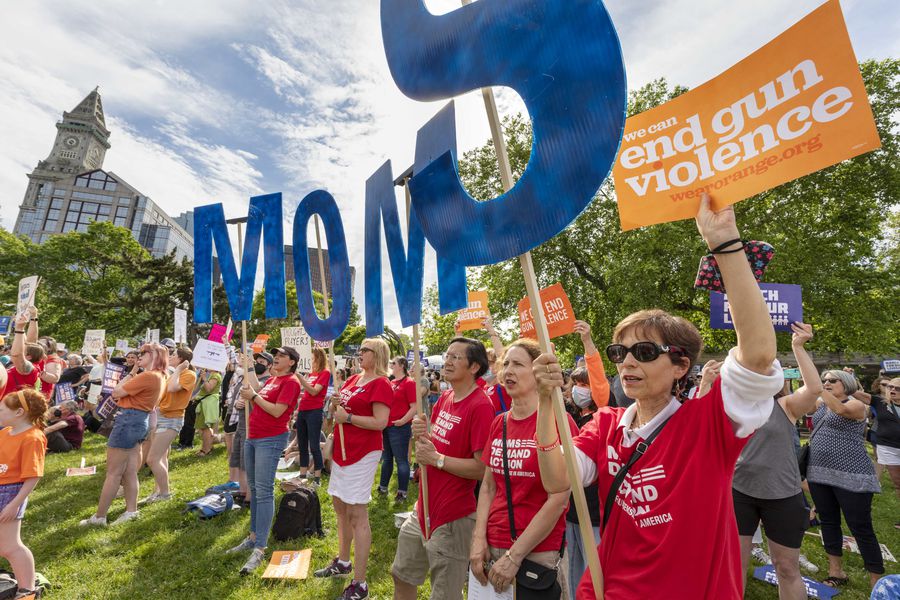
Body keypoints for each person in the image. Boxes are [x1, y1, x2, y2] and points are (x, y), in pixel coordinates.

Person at [534, 195, 784, 599]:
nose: (627, 363)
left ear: (681, 366)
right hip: (605, 589)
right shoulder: (607, 423)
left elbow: (757, 354)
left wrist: (724, 243)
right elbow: (556, 477)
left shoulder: (710, 423)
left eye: (645, 352)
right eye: (619, 353)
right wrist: (547, 402)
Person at [470, 338, 578, 597]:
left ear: (538, 371)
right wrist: (478, 539)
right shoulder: (499, 423)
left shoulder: (560, 424)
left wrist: (514, 556)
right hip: (490, 547)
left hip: (536, 554)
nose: (508, 371)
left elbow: (560, 498)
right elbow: (487, 486)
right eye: (505, 363)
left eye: (518, 364)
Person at [391, 337, 494, 600]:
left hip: (453, 517)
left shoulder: (481, 405)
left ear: (474, 367)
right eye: (447, 355)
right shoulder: (446, 396)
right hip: (423, 508)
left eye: (456, 357)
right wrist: (423, 434)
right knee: (402, 575)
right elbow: (436, 441)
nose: (448, 361)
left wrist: (437, 459)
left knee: (444, 593)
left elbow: (483, 469)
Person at [730, 322, 821, 600]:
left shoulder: (785, 406)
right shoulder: (732, 405)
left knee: (786, 568)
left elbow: (815, 389)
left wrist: (798, 346)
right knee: (736, 565)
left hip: (782, 495)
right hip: (740, 493)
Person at [314, 339, 391, 600]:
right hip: (342, 452)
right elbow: (339, 413)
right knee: (340, 508)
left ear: (377, 354)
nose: (360, 354)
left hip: (363, 452)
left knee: (357, 513)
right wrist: (336, 405)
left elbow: (381, 422)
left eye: (364, 350)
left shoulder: (381, 383)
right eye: (360, 350)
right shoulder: (351, 380)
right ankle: (343, 562)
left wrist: (348, 418)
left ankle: (360, 583)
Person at [228, 346, 302, 576]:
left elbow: (278, 411)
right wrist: (249, 364)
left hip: (270, 439)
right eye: (275, 355)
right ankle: (252, 537)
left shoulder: (290, 382)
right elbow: (256, 388)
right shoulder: (273, 380)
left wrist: (254, 397)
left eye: (281, 356)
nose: (276, 358)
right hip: (254, 436)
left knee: (264, 490)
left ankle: (260, 546)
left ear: (291, 362)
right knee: (256, 490)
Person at [807, 369, 884, 587]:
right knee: (829, 522)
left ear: (847, 383)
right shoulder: (821, 404)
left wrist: (819, 387)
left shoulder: (856, 404)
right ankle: (836, 572)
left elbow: (840, 409)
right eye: (824, 380)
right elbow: (804, 404)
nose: (827, 383)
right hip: (819, 473)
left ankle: (876, 579)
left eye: (832, 380)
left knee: (860, 527)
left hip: (852, 475)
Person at [79, 343, 167, 526]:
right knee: (129, 472)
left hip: (128, 420)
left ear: (155, 355)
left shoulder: (148, 376)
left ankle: (99, 517)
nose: (139, 355)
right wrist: (134, 370)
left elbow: (116, 392)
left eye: (144, 352)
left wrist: (134, 373)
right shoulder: (159, 376)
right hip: (138, 421)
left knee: (113, 472)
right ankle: (131, 511)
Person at [0, 388, 48, 599]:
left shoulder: (32, 438)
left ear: (19, 412)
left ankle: (27, 590)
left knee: (10, 546)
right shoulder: (5, 432)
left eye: (2, 409)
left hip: (11, 493)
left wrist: (14, 504)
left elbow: (33, 476)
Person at [142, 348, 195, 503]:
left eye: (173, 355)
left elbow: (172, 388)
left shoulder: (189, 374)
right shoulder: (173, 374)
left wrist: (178, 369)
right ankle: (157, 492)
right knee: (161, 457)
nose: (170, 357)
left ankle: (165, 494)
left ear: (181, 359)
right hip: (160, 416)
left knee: (152, 459)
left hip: (172, 418)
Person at [378, 356, 416, 501]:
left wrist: (402, 421)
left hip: (399, 427)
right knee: (386, 459)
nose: (391, 365)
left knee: (401, 460)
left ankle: (401, 492)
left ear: (402, 366)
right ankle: (382, 488)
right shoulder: (391, 382)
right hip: (387, 426)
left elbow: (414, 407)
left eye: (393, 363)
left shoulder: (409, 382)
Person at [867, 378, 900, 529]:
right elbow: (854, 392)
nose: (892, 390)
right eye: (890, 387)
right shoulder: (880, 402)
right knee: (898, 483)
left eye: (897, 388)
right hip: (888, 447)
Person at [295, 348, 330, 486]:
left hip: (314, 411)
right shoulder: (312, 373)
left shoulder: (325, 373)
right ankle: (302, 476)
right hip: (303, 410)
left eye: (312, 357)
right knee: (302, 445)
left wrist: (301, 379)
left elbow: (315, 391)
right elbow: (307, 392)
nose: (310, 360)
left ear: (318, 357)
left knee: (314, 445)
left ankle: (317, 479)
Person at [2, 314, 43, 398]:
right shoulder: (33, 365)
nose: (18, 348)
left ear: (29, 357)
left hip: (12, 408)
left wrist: (19, 329)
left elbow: (16, 355)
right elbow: (31, 340)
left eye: (22, 350)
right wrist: (33, 317)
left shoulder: (30, 369)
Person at [194, 368, 223, 456]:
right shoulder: (211, 375)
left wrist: (204, 378)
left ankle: (206, 450)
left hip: (208, 405)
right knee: (202, 427)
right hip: (205, 404)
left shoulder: (215, 375)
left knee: (205, 428)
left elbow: (209, 389)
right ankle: (206, 447)